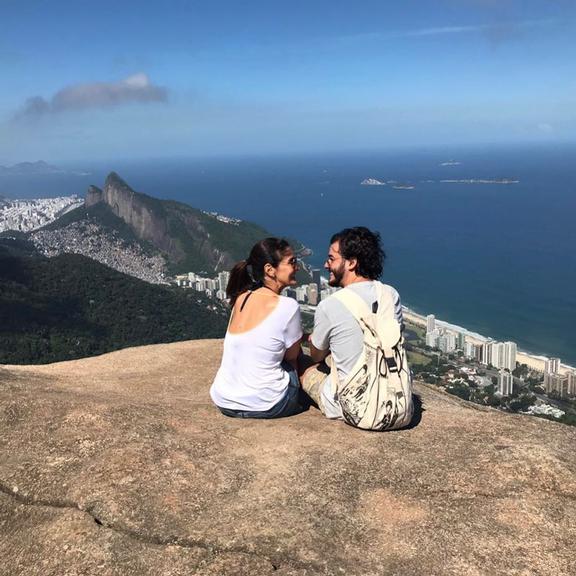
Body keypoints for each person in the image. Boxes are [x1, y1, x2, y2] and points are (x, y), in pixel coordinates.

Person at [301, 226, 404, 420]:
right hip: (396, 403)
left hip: (353, 410)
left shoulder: (330, 305)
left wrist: (314, 341)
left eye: (331, 258)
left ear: (351, 263)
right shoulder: (391, 295)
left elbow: (316, 355)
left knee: (304, 366)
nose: (325, 264)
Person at [210, 237, 305, 418]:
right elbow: (292, 358)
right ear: (269, 270)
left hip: (224, 401)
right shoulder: (288, 306)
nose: (297, 267)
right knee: (301, 360)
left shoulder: (242, 298)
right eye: (292, 262)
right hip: (269, 404)